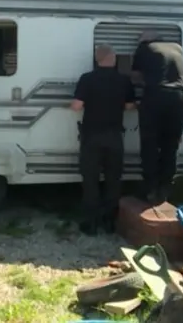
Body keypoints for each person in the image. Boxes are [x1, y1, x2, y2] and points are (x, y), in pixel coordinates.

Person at [71, 44, 136, 235]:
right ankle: (109, 222)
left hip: (91, 136)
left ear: (97, 59)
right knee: (113, 180)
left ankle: (90, 224)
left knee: (90, 180)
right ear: (112, 58)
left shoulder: (87, 79)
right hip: (114, 136)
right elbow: (130, 106)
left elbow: (76, 106)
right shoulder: (123, 80)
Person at [131, 31, 183, 204]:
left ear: (145, 40)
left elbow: (135, 75)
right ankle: (165, 190)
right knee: (171, 145)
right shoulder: (177, 48)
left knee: (149, 144)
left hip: (156, 95)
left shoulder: (144, 48)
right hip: (180, 97)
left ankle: (149, 189)